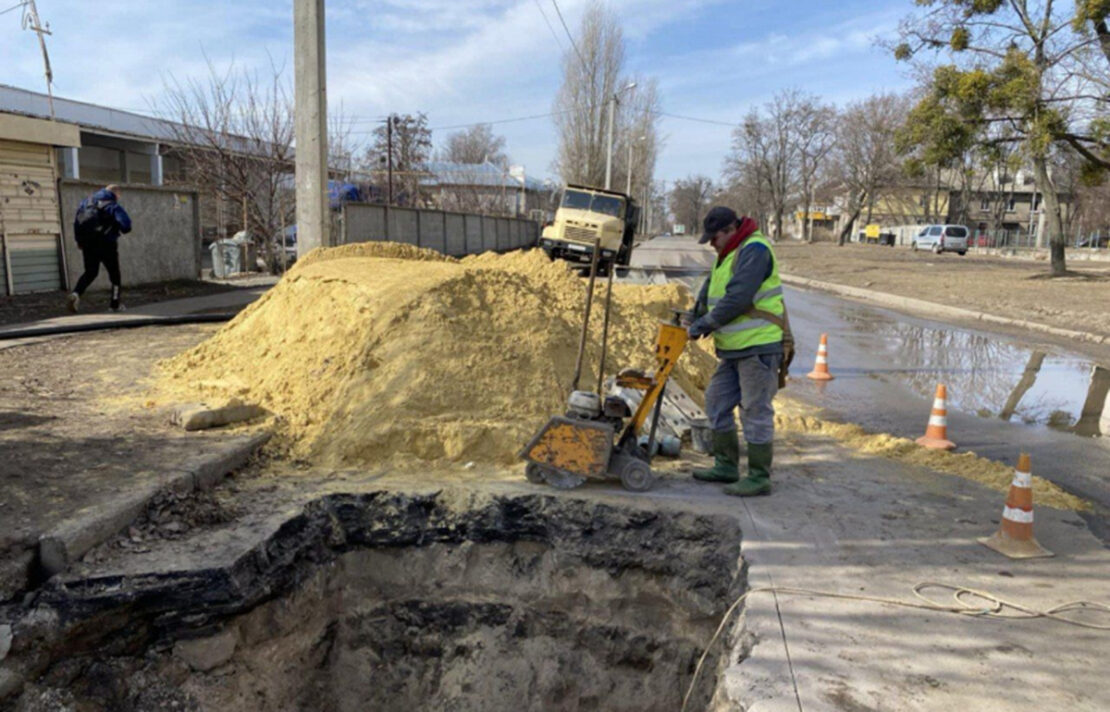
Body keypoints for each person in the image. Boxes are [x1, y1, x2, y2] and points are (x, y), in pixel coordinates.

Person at [686, 206, 788, 497]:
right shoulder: (728, 253)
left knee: (754, 410)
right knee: (716, 402)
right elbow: (710, 292)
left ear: (731, 229)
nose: (711, 243)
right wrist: (695, 315)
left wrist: (705, 324)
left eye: (714, 237)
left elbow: (738, 297)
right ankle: (726, 466)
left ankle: (758, 476)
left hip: (757, 346)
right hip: (732, 349)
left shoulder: (754, 250)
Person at [67, 185, 132, 313]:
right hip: (107, 244)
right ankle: (115, 305)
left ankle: (76, 293)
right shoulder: (111, 203)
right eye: (119, 195)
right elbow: (126, 223)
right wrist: (122, 229)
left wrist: (79, 241)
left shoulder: (86, 202)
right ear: (116, 193)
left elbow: (77, 222)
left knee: (90, 272)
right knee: (115, 276)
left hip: (88, 244)